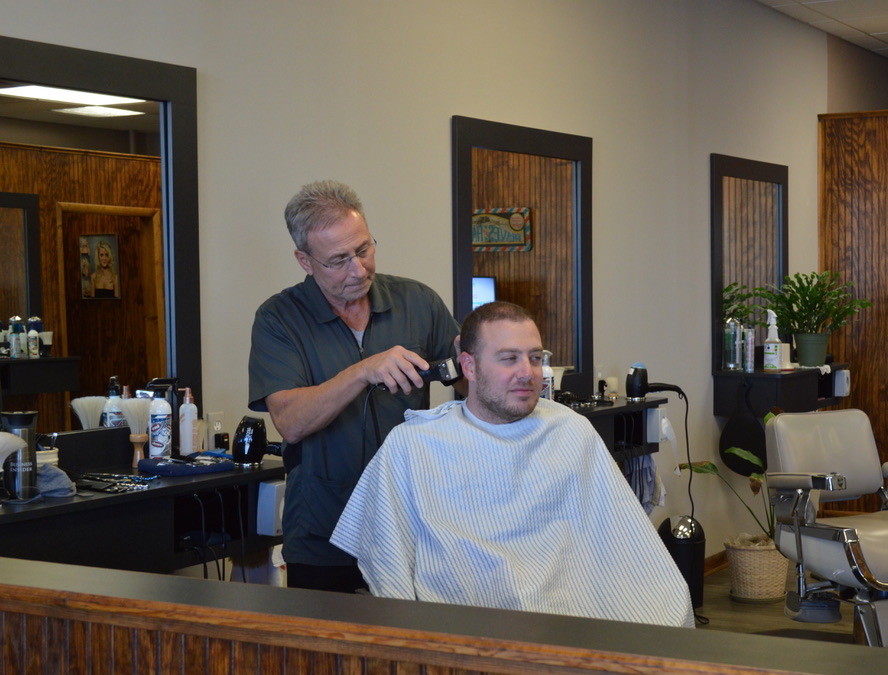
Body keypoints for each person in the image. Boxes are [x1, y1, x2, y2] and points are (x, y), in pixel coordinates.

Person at [331, 301, 696, 628]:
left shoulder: (569, 429)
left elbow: (624, 543)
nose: (527, 372)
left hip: (572, 615)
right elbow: (387, 561)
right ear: (469, 366)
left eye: (535, 358)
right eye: (509, 359)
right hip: (464, 626)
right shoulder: (414, 445)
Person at [248, 180, 463, 593]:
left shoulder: (417, 301)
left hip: (413, 525)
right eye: (338, 260)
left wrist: (490, 361)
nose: (359, 270)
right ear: (305, 260)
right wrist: (362, 371)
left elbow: (467, 379)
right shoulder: (279, 319)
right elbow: (290, 421)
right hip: (323, 532)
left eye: (364, 250)